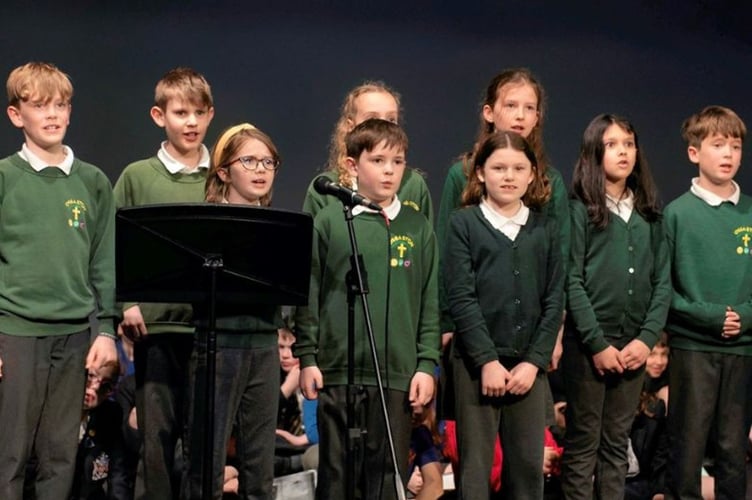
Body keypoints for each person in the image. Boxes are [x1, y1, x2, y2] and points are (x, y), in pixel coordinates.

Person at [295, 118, 440, 500]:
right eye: (378, 160)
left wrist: (426, 364)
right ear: (352, 164)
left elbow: (428, 300)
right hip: (338, 371)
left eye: (398, 161)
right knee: (336, 476)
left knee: (384, 478)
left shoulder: (416, 226)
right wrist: (307, 356)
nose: (390, 170)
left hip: (395, 372)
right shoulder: (329, 221)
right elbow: (309, 294)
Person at [0, 61, 118, 500]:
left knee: (60, 456)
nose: (52, 114)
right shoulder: (6, 178)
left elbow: (104, 262)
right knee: (9, 455)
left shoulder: (92, 182)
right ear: (17, 115)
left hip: (72, 336)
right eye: (39, 105)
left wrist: (106, 329)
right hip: (15, 332)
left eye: (61, 105)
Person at [443, 130, 564, 499]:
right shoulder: (463, 225)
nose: (508, 176)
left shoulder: (546, 229)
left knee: (527, 473)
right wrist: (487, 361)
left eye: (518, 168)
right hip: (476, 367)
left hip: (528, 369)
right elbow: (461, 297)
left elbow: (554, 298)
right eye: (498, 167)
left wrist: (534, 363)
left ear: (532, 175)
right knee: (476, 472)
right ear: (480, 173)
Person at [112, 66, 215, 500]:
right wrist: (126, 304)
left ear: (210, 115)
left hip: (209, 332)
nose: (190, 122)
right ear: (159, 116)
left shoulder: (221, 176)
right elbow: (112, 247)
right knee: (155, 443)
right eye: (180, 112)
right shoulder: (137, 176)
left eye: (198, 112)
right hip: (156, 332)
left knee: (204, 446)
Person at [560, 114, 671, 500]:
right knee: (583, 444)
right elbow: (571, 280)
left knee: (616, 444)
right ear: (594, 152)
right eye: (612, 144)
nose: (623, 152)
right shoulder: (578, 210)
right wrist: (596, 343)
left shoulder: (649, 216)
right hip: (590, 346)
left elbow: (662, 284)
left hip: (633, 346)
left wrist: (645, 339)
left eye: (629, 143)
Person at [436, 69, 569, 365]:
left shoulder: (550, 181)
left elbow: (560, 263)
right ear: (489, 112)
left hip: (531, 335)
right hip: (470, 330)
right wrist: (444, 323)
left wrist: (556, 334)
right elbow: (446, 256)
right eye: (510, 105)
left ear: (538, 117)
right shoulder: (463, 174)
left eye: (529, 108)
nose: (520, 116)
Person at [183, 123, 283, 499]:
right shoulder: (205, 224)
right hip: (217, 344)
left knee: (259, 467)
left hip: (263, 347)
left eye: (268, 162)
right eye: (250, 160)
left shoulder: (279, 227)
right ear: (224, 171)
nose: (261, 169)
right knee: (206, 466)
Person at [663, 105, 752, 500]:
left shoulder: (750, 211)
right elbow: (664, 290)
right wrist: (711, 316)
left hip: (742, 348)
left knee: (734, 449)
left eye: (735, 146)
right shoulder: (677, 215)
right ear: (694, 153)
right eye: (718, 145)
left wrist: (744, 317)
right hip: (693, 348)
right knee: (688, 446)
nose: (729, 154)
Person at [301, 80, 433, 223]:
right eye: (372, 119)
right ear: (350, 126)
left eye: (391, 119)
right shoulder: (326, 188)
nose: (382, 126)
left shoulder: (413, 184)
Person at [70, 360, 129, 500]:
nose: (93, 389)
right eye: (89, 377)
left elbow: (118, 474)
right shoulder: (52, 406)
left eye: (105, 386)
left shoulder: (110, 415)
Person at [625, 334, 669, 500]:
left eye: (663, 354)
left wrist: (659, 489)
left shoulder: (659, 403)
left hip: (645, 480)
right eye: (652, 354)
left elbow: (662, 452)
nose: (658, 361)